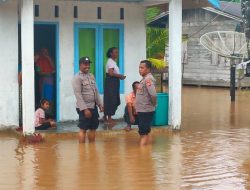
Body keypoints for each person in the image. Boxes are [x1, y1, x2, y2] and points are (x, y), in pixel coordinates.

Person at [72, 56, 104, 143]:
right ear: (80, 65)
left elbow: (96, 91)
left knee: (93, 128)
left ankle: (91, 148)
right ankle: (82, 152)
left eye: (88, 64)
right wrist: (85, 109)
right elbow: (78, 95)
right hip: (84, 108)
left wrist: (100, 104)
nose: (87, 66)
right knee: (83, 129)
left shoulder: (91, 76)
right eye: (85, 64)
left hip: (93, 106)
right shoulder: (77, 78)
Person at [136, 60, 157, 146]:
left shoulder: (148, 80)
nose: (140, 69)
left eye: (142, 68)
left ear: (148, 69)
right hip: (143, 110)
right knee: (145, 132)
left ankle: (142, 155)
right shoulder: (144, 79)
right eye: (139, 67)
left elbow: (153, 95)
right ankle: (146, 154)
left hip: (145, 110)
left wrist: (153, 105)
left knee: (143, 133)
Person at [104, 47, 126, 124]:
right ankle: (108, 118)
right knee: (111, 99)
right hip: (111, 82)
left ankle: (106, 117)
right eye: (115, 52)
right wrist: (120, 76)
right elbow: (111, 73)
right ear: (111, 53)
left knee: (110, 98)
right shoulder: (111, 62)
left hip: (113, 82)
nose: (117, 54)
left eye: (117, 52)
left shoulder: (113, 62)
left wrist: (119, 77)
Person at [35, 48, 55, 114]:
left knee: (49, 97)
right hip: (42, 81)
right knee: (43, 97)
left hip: (50, 81)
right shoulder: (39, 60)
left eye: (46, 51)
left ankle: (49, 113)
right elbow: (38, 72)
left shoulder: (50, 59)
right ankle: (43, 114)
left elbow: (54, 68)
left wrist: (48, 58)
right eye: (43, 51)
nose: (45, 53)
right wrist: (48, 73)